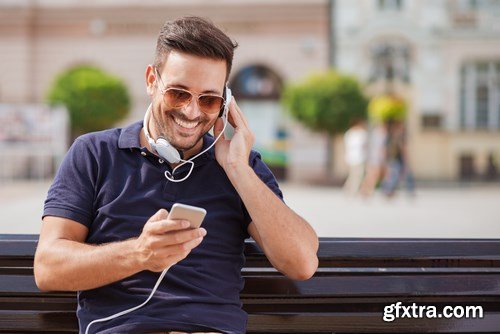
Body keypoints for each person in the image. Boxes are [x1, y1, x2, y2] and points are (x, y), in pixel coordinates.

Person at [34, 16, 318, 334]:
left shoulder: (240, 165)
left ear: (226, 104)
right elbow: (48, 267)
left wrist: (237, 168)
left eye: (209, 99)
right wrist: (140, 254)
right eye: (178, 94)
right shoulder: (94, 153)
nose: (192, 112)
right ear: (151, 81)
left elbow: (302, 263)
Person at [342, 119, 368, 196]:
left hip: (357, 157)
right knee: (356, 175)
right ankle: (352, 190)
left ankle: (349, 189)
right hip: (354, 157)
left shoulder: (357, 133)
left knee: (356, 175)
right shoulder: (355, 133)